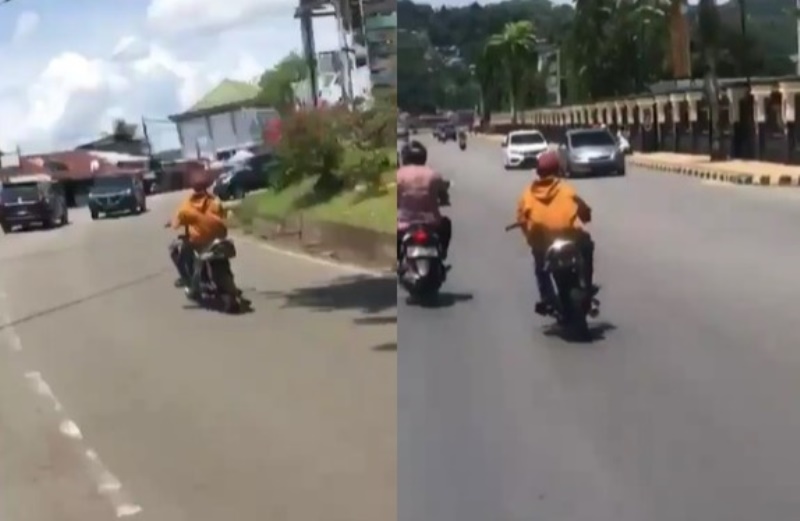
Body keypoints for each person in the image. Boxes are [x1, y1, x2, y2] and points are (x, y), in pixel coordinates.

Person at [514, 150, 596, 316]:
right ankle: (586, 286)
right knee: (587, 247)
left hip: (544, 244)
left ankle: (546, 298)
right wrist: (585, 215)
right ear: (557, 169)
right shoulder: (566, 189)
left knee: (540, 266)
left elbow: (522, 220)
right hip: (570, 238)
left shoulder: (528, 194)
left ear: (539, 172)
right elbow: (583, 210)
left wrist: (531, 237)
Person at [166, 165, 228, 298]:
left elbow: (177, 221)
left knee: (177, 251)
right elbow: (223, 214)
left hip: (200, 240)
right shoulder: (214, 200)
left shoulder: (187, 204)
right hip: (219, 238)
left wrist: (172, 223)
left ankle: (187, 279)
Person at [396, 140, 452, 264]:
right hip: (432, 223)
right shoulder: (434, 175)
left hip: (404, 224)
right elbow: (443, 196)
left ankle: (398, 257)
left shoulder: (398, 175)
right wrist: (444, 200)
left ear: (404, 157)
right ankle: (442, 252)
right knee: (446, 223)